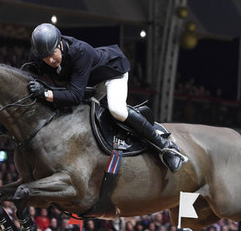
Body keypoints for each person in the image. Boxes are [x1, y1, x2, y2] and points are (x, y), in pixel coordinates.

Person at [24, 23, 186, 172]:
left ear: (59, 43)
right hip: (89, 83)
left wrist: (45, 93)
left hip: (112, 73)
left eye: (53, 53)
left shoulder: (80, 52)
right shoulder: (42, 53)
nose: (50, 59)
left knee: (117, 110)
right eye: (46, 57)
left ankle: (165, 147)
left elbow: (74, 96)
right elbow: (29, 72)